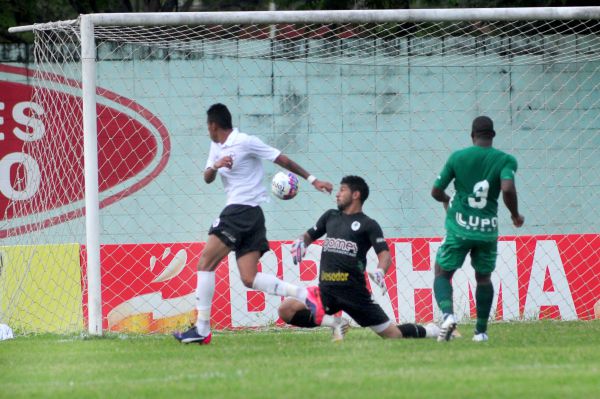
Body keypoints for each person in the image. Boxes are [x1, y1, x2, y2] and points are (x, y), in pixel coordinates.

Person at [174, 103, 333, 344]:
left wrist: (312, 180)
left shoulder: (245, 141)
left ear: (212, 125)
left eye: (207, 126)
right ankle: (304, 294)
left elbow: (282, 159)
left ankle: (202, 329)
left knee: (205, 263)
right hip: (253, 217)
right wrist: (216, 165)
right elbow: (207, 177)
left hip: (240, 212)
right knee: (249, 278)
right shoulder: (216, 146)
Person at [278, 175, 439, 341]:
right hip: (327, 291)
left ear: (356, 195)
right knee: (286, 309)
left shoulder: (369, 224)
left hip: (355, 294)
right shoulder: (330, 216)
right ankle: (335, 322)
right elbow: (308, 235)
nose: (337, 194)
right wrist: (301, 242)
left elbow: (384, 255)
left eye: (342, 190)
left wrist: (380, 271)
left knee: (394, 336)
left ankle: (430, 331)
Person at [431, 116, 524, 343]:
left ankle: (448, 316)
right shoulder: (505, 160)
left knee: (442, 272)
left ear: (472, 136)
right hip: (487, 230)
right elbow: (508, 188)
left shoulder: (458, 157)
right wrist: (514, 214)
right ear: (492, 135)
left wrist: (447, 198)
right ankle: (481, 332)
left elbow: (435, 191)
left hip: (460, 228)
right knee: (484, 277)